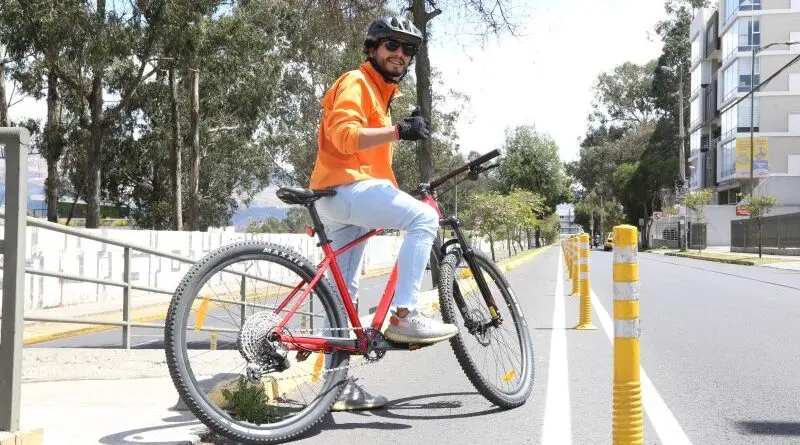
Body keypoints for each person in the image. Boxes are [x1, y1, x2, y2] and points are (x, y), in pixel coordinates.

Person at [308, 16, 458, 411]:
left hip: (340, 196)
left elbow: (371, 162)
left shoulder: (380, 96)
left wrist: (394, 137)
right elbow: (343, 136)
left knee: (344, 294)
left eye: (408, 50)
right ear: (373, 49)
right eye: (392, 45)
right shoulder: (356, 82)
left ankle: (335, 388)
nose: (400, 54)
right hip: (346, 189)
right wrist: (397, 132)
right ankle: (405, 315)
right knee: (424, 219)